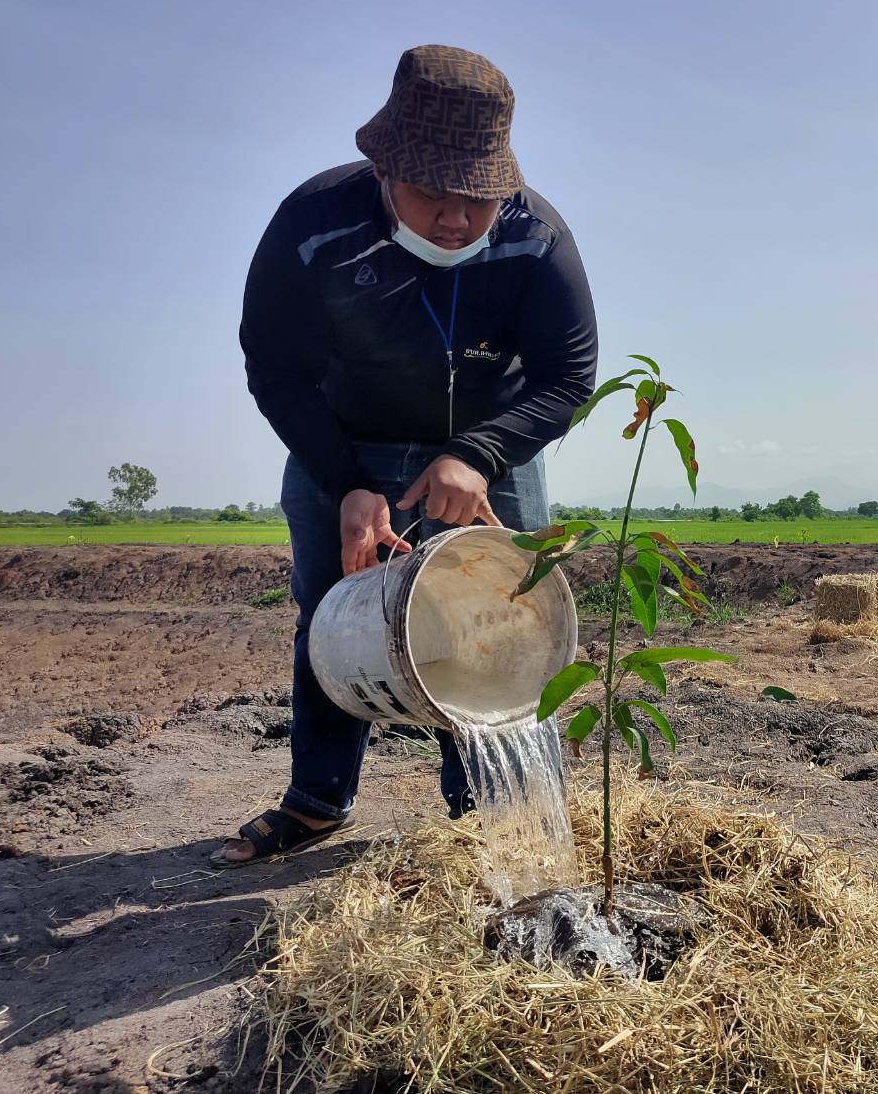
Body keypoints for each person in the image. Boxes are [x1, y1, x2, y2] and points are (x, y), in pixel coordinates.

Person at [220, 46, 598, 867]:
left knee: (501, 618)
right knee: (331, 613)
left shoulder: (538, 236)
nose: (458, 220)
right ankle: (318, 799)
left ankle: (490, 814)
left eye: (479, 198)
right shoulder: (313, 224)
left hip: (491, 448)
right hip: (343, 438)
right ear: (384, 169)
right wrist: (346, 481)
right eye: (434, 194)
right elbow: (275, 369)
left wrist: (482, 454)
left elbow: (570, 376)